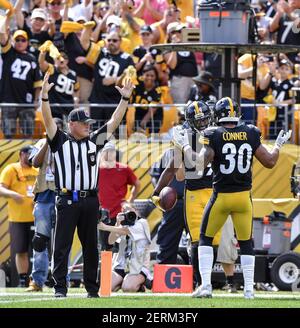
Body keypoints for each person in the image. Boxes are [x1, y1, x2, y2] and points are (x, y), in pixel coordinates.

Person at [173, 97, 292, 299]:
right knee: (246, 242)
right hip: (244, 198)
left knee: (205, 238)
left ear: (217, 116)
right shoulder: (251, 132)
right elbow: (270, 162)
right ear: (236, 113)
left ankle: (206, 286)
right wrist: (278, 145)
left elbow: (199, 165)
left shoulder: (213, 134)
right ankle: (248, 290)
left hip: (221, 197)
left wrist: (184, 145)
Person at [40, 71, 134, 298]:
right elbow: (48, 120)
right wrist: (44, 97)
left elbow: (113, 123)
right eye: (83, 123)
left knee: (91, 247)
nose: (88, 127)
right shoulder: (60, 140)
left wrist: (125, 99)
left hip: (91, 199)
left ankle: (92, 289)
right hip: (67, 198)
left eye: (89, 123)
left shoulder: (93, 142)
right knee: (61, 246)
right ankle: (60, 289)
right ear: (71, 124)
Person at [152, 101, 238, 291]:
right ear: (190, 121)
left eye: (205, 119)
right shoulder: (186, 136)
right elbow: (173, 169)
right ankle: (201, 283)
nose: (203, 124)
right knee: (197, 241)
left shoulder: (218, 133)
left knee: (214, 241)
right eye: (198, 121)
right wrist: (156, 192)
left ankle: (212, 281)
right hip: (193, 193)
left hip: (216, 191)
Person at [26, 118, 64, 292]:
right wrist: (48, 143)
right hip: (43, 196)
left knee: (62, 241)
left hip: (63, 195)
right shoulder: (41, 142)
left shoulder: (68, 143)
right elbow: (34, 163)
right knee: (40, 240)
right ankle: (37, 280)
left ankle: (61, 280)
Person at [0, 145, 38, 287]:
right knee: (21, 250)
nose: (32, 157)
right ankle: (23, 280)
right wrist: (13, 194)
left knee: (39, 250)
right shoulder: (11, 169)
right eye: (30, 154)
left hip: (37, 218)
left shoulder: (36, 169)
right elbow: (1, 188)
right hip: (18, 219)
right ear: (21, 154)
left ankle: (39, 279)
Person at [99, 203, 152, 292]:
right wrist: (117, 223)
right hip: (121, 265)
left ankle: (139, 285)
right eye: (124, 212)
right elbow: (111, 241)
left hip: (138, 267)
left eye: (130, 211)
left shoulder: (142, 223)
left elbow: (126, 231)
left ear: (136, 212)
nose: (128, 214)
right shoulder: (122, 225)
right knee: (105, 288)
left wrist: (105, 227)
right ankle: (123, 282)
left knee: (128, 288)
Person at [0, 27, 42, 138]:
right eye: (17, 40)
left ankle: (28, 155)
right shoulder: (8, 52)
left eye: (23, 40)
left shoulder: (32, 58)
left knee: (28, 134)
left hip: (26, 103)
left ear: (27, 42)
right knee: (8, 134)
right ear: (13, 41)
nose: (20, 42)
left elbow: (37, 83)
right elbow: (2, 38)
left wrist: (36, 100)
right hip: (8, 101)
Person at [98, 140, 141, 251]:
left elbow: (137, 184)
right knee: (105, 248)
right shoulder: (97, 170)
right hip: (103, 214)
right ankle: (107, 268)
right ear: (102, 153)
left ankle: (120, 268)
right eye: (107, 151)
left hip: (120, 214)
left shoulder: (123, 169)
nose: (109, 154)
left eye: (112, 151)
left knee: (122, 247)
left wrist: (130, 200)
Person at [150, 147, 185, 265]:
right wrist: (161, 194)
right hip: (174, 203)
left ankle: (200, 279)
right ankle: (164, 275)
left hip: (196, 201)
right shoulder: (168, 153)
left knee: (199, 243)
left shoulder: (201, 150)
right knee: (167, 241)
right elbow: (155, 175)